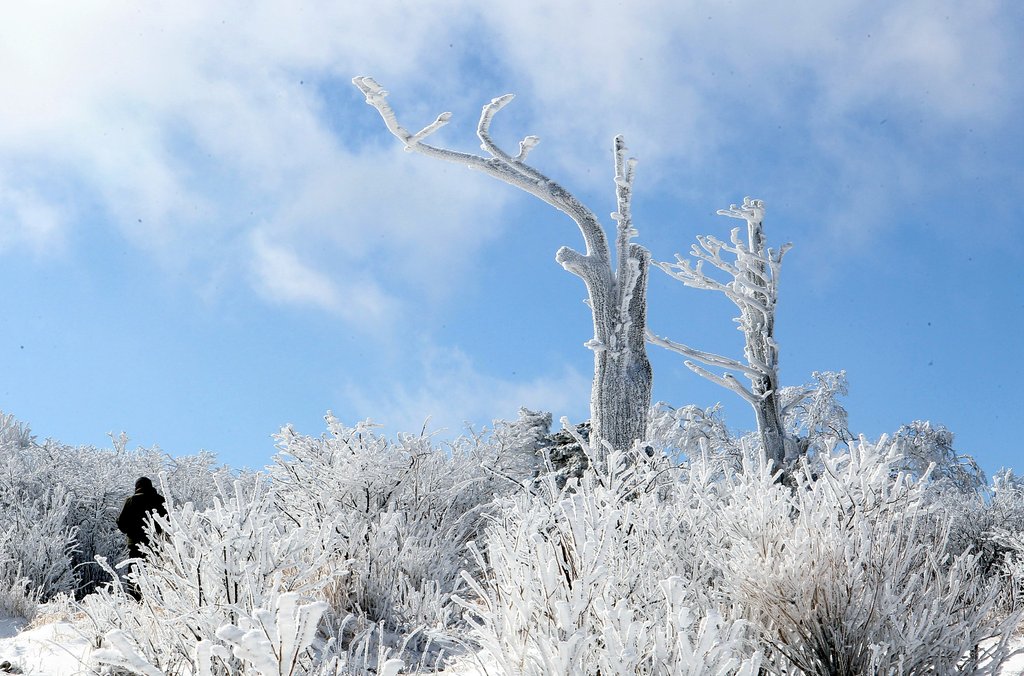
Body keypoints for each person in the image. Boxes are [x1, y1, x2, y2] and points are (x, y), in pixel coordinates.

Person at [116, 477, 167, 560]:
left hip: (136, 546)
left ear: (137, 487)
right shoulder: (161, 500)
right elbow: (168, 523)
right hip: (157, 545)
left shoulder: (131, 501)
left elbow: (123, 525)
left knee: (136, 571)